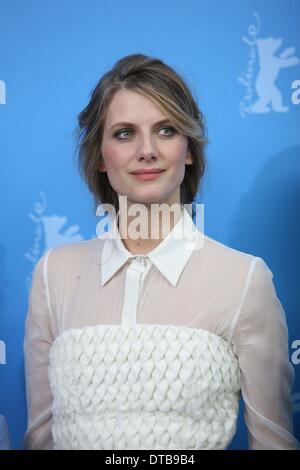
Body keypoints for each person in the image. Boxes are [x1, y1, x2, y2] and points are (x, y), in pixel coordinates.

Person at [23, 53, 300, 450]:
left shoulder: (244, 280)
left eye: (166, 130)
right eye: (124, 133)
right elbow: (40, 439)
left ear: (188, 148)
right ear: (100, 156)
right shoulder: (54, 274)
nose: (147, 150)